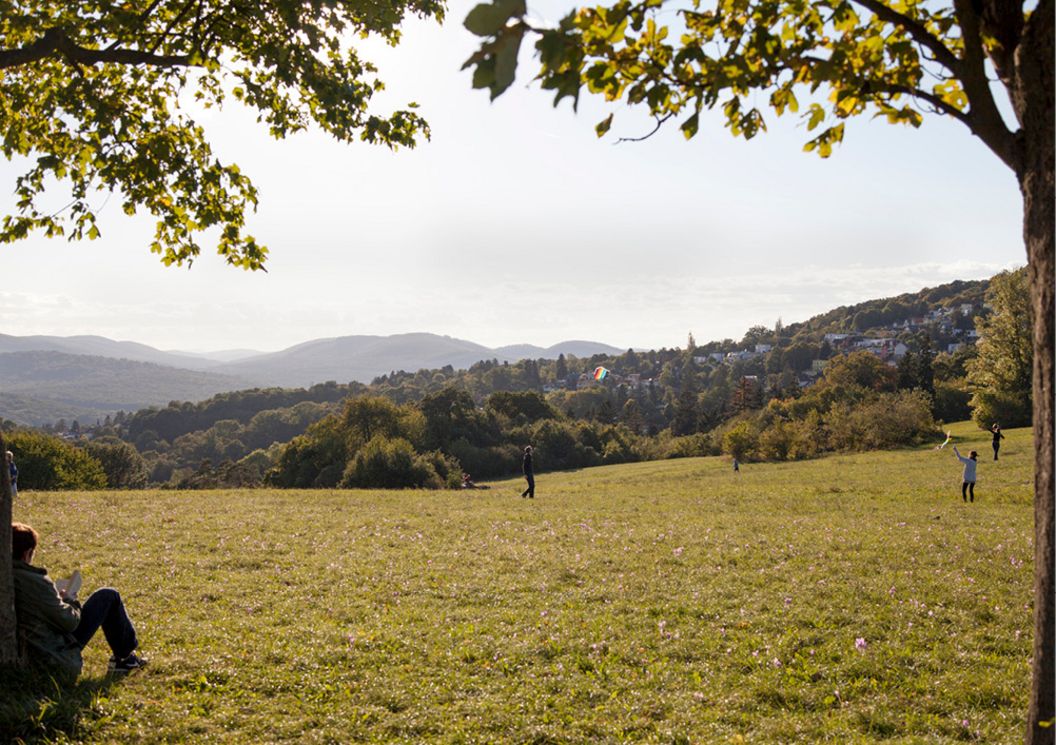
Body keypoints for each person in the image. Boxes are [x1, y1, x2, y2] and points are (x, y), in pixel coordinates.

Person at [11, 522, 147, 676]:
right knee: (108, 596)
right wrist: (69, 600)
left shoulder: (9, 576)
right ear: (27, 553)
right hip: (52, 654)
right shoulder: (34, 581)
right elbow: (70, 622)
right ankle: (125, 659)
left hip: (30, 644)